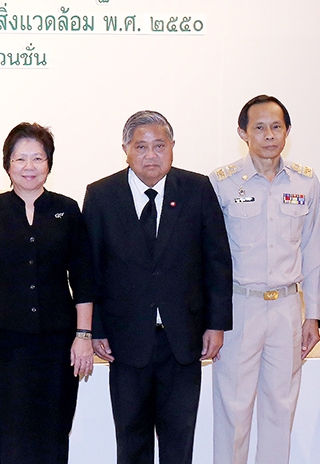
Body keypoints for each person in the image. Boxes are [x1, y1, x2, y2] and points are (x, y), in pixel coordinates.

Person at [82, 110, 232, 464]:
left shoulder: (197, 190)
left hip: (183, 338)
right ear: (126, 150)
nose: (151, 155)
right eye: (141, 146)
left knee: (179, 440)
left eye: (160, 146)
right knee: (131, 440)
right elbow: (91, 270)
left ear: (172, 147)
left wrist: (216, 325)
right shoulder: (102, 195)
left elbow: (217, 261)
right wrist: (95, 329)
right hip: (125, 340)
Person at [0, 122, 96, 463]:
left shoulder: (67, 210)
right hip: (5, 344)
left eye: (38, 158)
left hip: (58, 344)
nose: (29, 166)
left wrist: (83, 335)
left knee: (54, 433)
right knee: (11, 435)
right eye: (20, 158)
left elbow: (84, 279)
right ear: (7, 164)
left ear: (49, 163)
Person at [210, 95, 320, 464]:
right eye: (259, 127)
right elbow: (210, 257)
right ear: (243, 133)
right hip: (240, 307)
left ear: (287, 131)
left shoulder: (306, 181)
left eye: (276, 127)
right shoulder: (222, 183)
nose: (269, 135)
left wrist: (313, 316)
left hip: (287, 307)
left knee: (280, 408)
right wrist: (212, 318)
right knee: (234, 409)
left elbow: (314, 252)